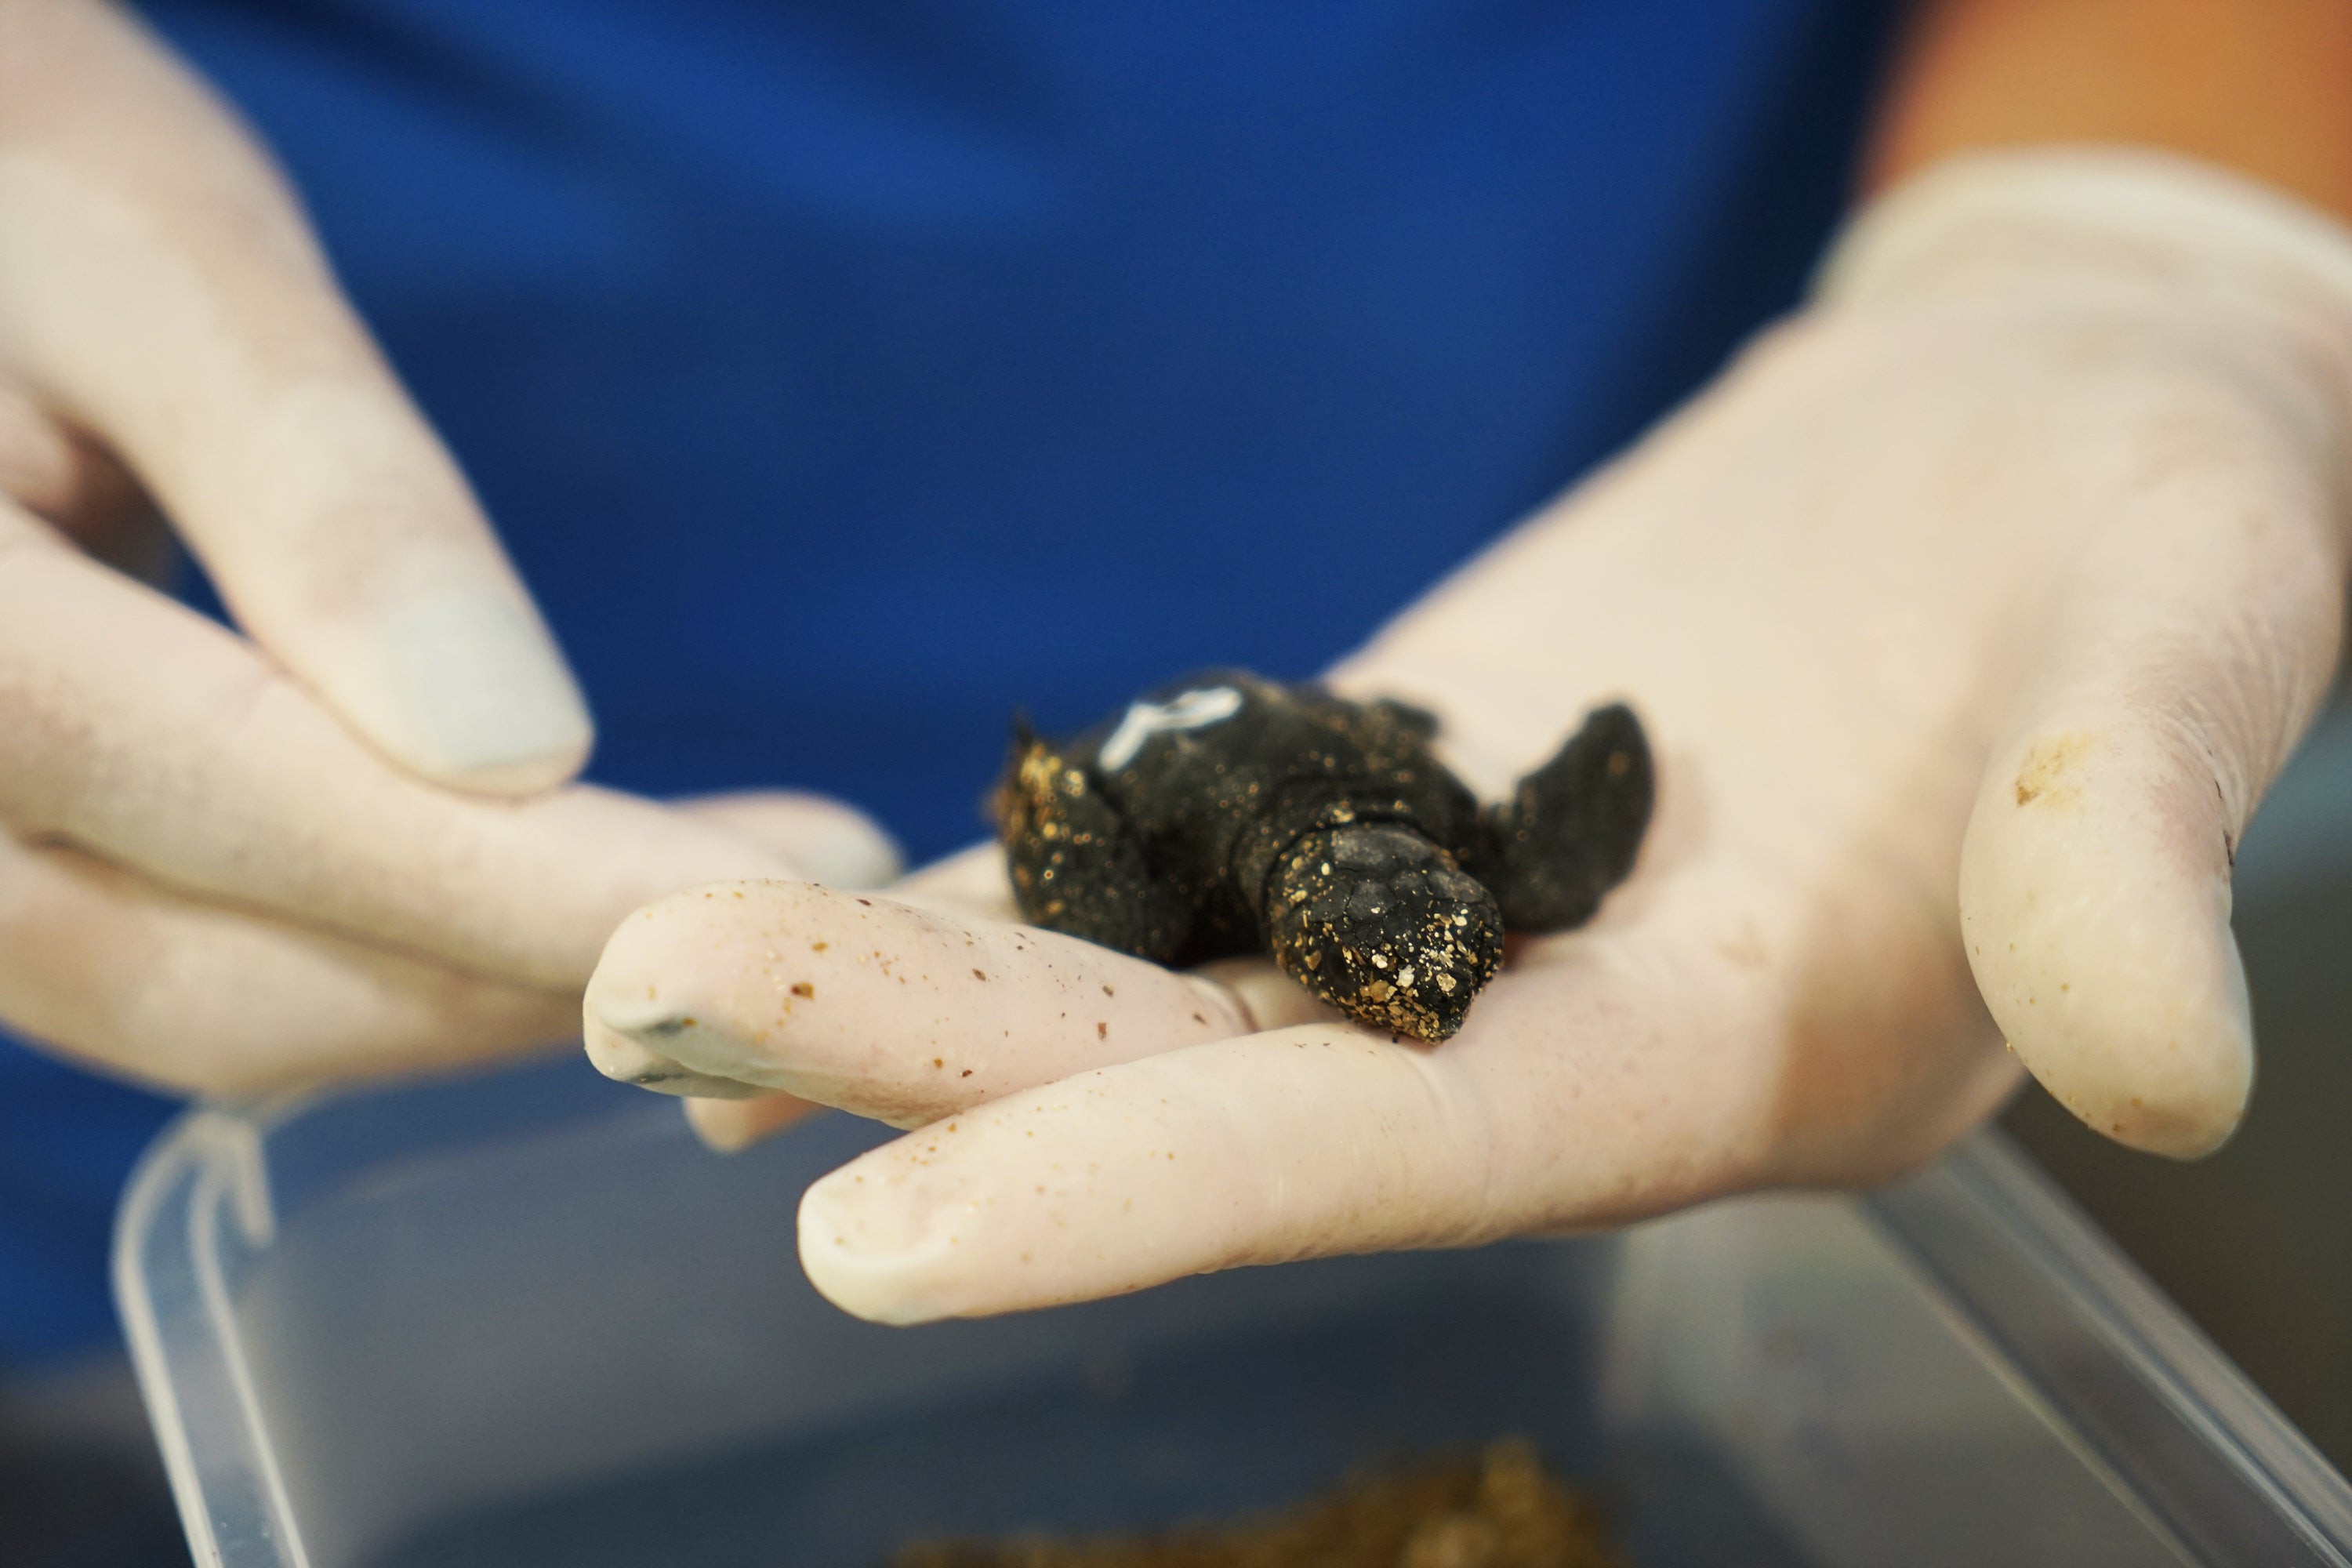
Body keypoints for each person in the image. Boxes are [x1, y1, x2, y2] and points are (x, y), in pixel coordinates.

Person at [3, 0, 2351, 1355]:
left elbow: (1537, 812)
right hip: (150, 999)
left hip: (1615, 510)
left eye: (1441, 946)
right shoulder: (1196, 874)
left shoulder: (1449, 854)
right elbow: (1135, 819)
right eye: (1422, 950)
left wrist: (2141, 231)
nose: (1440, 970)